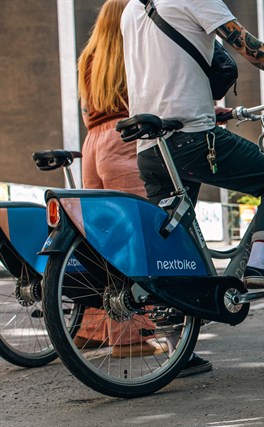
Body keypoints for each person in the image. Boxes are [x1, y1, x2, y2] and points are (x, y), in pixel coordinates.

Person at [121, 0, 264, 289]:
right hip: (193, 138)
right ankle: (261, 262)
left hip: (151, 147)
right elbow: (248, 46)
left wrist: (204, 104)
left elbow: (159, 67)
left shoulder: (131, 9)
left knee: (173, 235)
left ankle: (177, 306)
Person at [76, 0, 210, 376]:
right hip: (126, 139)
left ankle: (93, 326)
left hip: (94, 142)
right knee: (146, 240)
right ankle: (135, 337)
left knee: (104, 239)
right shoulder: (130, 48)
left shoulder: (90, 56)